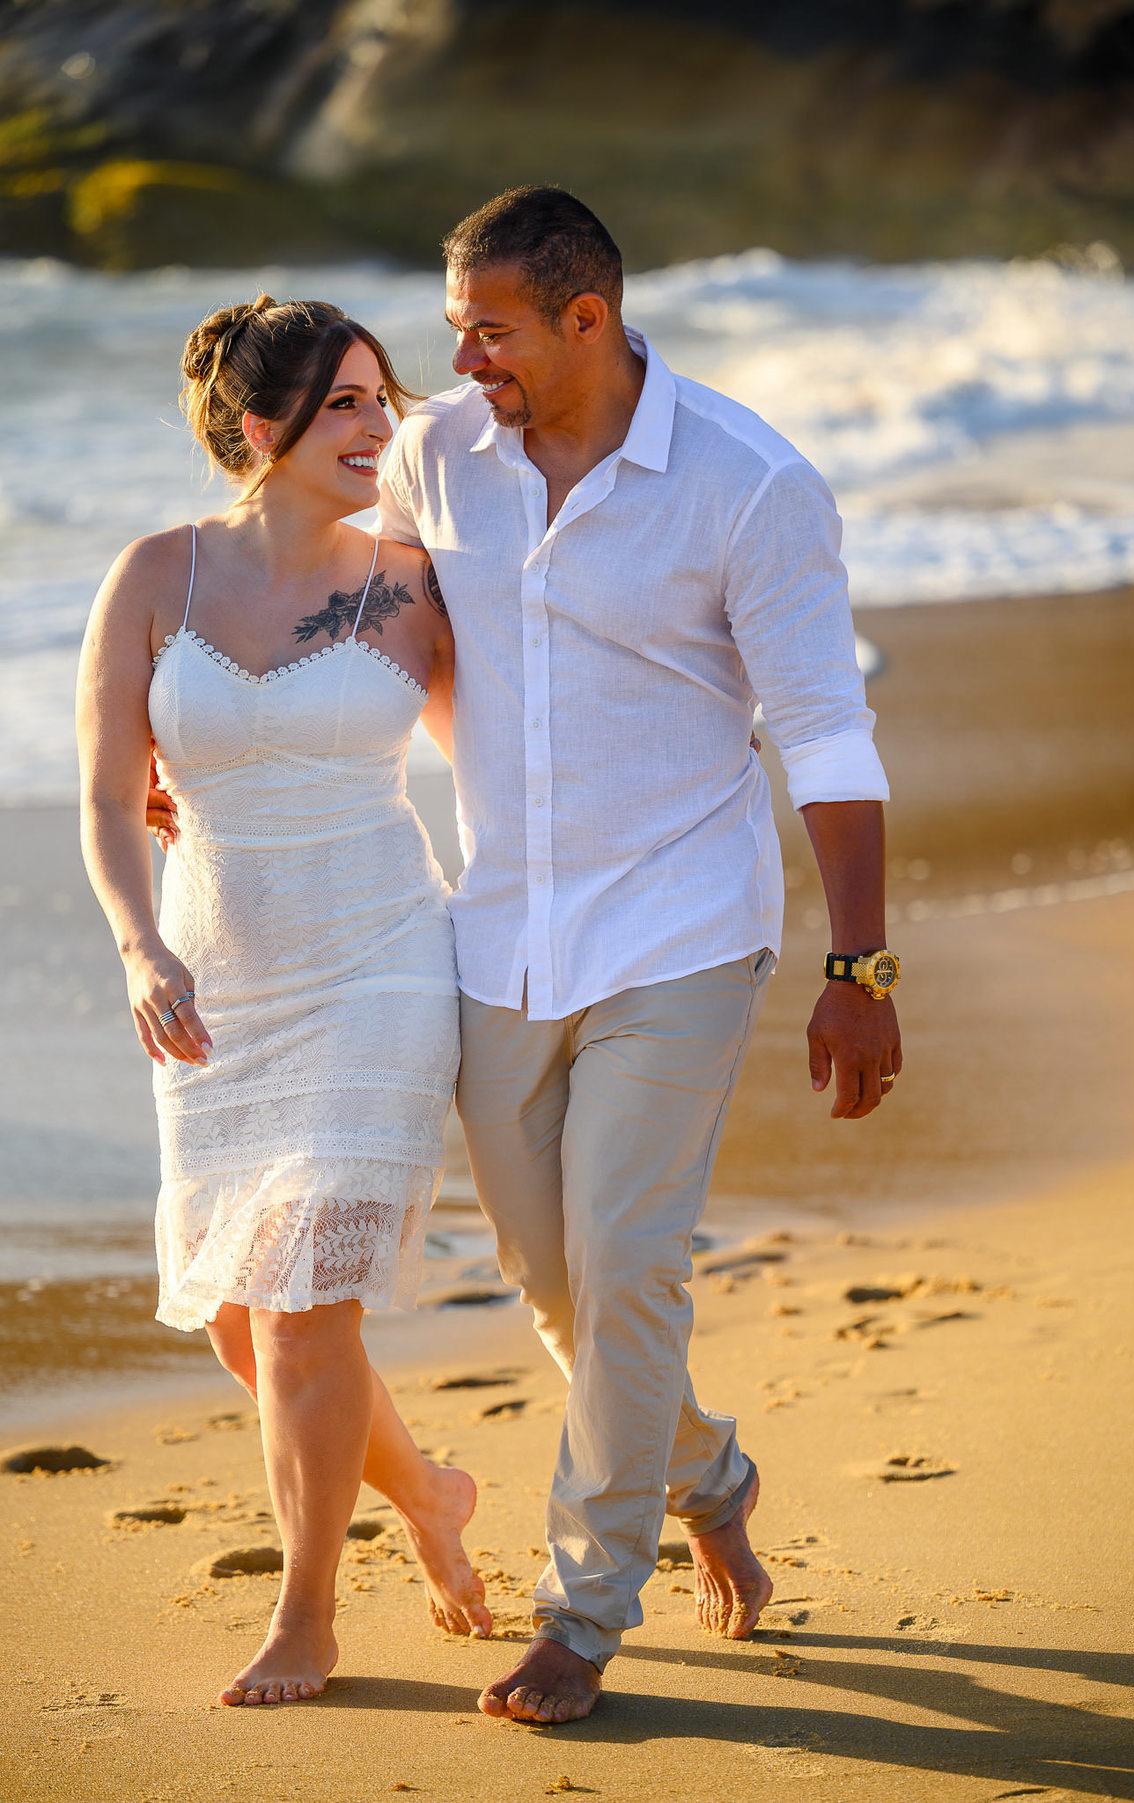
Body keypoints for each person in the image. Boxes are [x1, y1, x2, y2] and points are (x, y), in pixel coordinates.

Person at [372, 186, 903, 1725]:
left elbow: (822, 724)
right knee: (555, 1279)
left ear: (585, 321)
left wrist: (860, 969)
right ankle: (711, 1472)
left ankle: (586, 1610)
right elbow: (381, 645)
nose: (459, 358)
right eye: (452, 327)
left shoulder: (749, 483)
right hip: (500, 932)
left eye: (489, 330)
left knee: (627, 1264)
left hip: (679, 924)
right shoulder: (435, 457)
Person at [79, 293, 491, 1709]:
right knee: (241, 1323)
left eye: (386, 400)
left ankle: (307, 1614)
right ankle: (431, 1495)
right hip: (215, 981)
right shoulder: (154, 577)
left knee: (309, 1308)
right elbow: (102, 796)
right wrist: (141, 946)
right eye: (345, 405)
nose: (382, 428)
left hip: (381, 953)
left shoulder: (414, 581)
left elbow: (508, 757)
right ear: (261, 429)